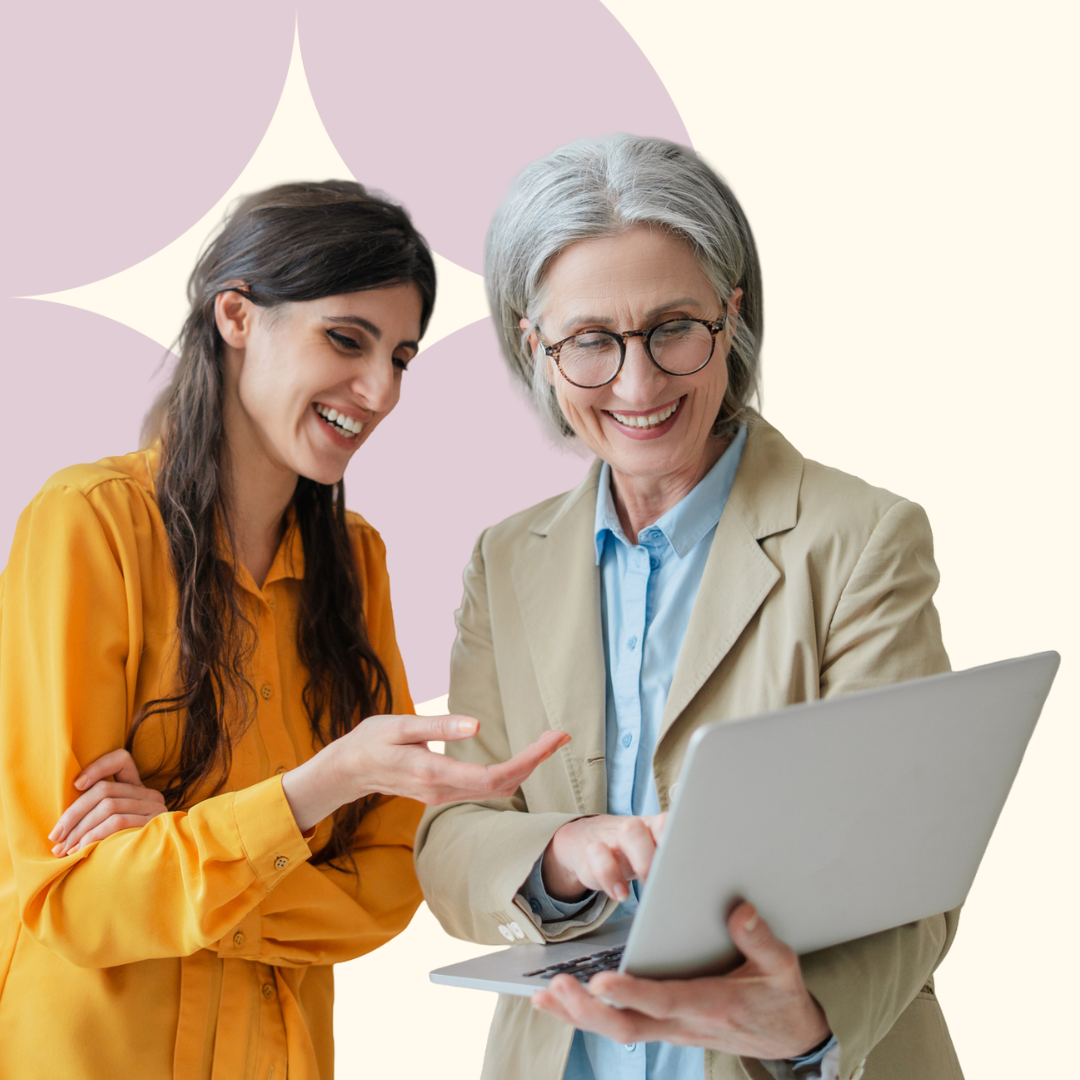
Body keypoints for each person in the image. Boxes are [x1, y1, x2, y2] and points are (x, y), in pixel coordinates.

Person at [415, 136, 965, 1080]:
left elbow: (910, 870)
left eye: (674, 327)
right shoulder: (506, 561)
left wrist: (806, 1025)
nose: (638, 385)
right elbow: (451, 838)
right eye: (590, 340)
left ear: (732, 316)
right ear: (533, 347)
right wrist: (559, 852)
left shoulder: (861, 538)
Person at [0, 180, 565, 1079]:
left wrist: (182, 857)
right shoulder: (89, 526)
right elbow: (69, 898)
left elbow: (385, 884)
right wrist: (313, 795)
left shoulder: (357, 560)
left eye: (402, 357)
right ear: (236, 316)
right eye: (347, 339)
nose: (378, 390)